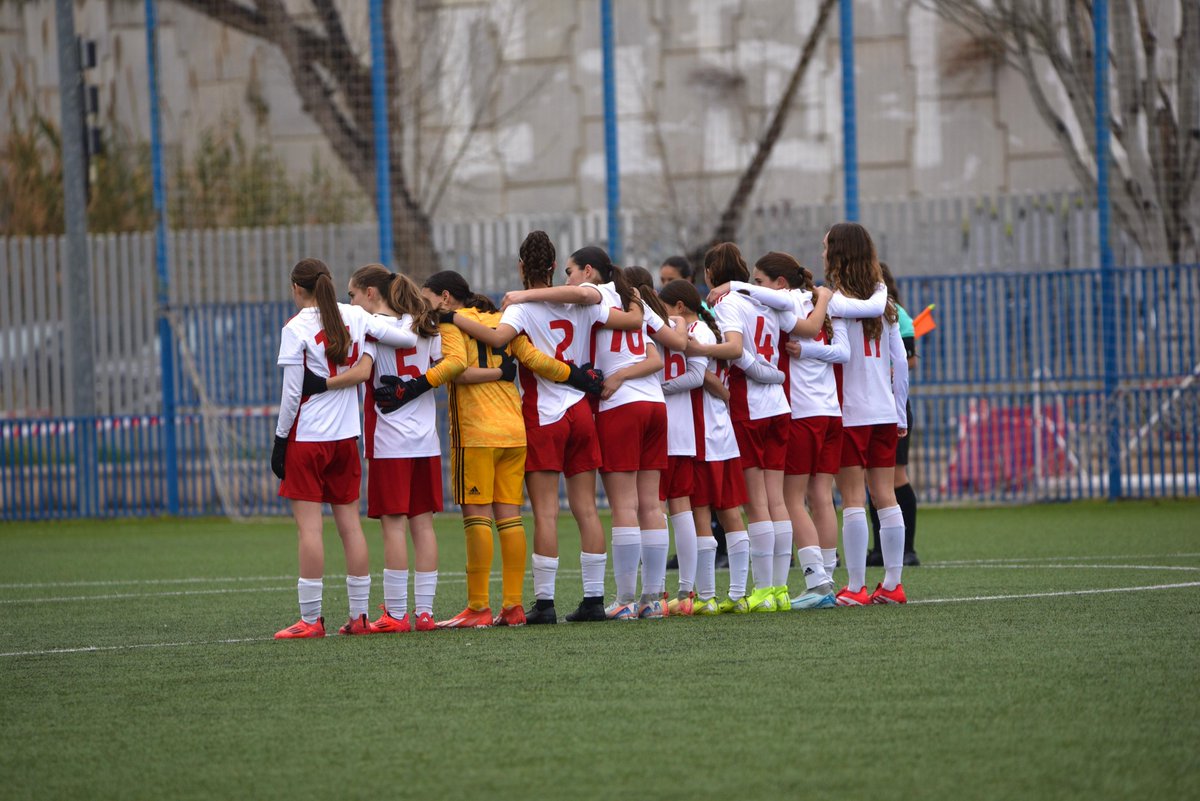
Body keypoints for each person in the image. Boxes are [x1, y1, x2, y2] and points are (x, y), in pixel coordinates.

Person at [386, 269, 598, 629]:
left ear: (447, 298)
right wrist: (580, 378)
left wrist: (410, 388)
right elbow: (534, 359)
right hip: (514, 433)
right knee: (510, 518)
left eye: (428, 297)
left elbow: (455, 367)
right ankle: (513, 606)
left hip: (477, 433)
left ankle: (479, 607)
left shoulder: (451, 326)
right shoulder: (503, 322)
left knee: (477, 518)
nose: (426, 305)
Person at [499, 247, 687, 621]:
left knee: (592, 509)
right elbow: (660, 348)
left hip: (596, 409)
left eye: (572, 271)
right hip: (643, 405)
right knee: (647, 505)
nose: (568, 279)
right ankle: (642, 598)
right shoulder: (624, 301)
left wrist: (516, 297)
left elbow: (580, 295)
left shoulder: (591, 297)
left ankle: (600, 600)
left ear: (587, 271)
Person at [445, 232, 616, 624]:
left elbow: (497, 337)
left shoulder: (520, 308)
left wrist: (454, 316)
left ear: (522, 267)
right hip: (581, 410)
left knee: (546, 513)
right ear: (556, 267)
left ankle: (545, 603)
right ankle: (593, 599)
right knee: (587, 509)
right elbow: (595, 302)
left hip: (544, 413)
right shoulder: (575, 298)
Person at [271, 257, 419, 639]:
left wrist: (279, 439)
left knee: (309, 531)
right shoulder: (355, 315)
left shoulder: (296, 326)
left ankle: (310, 620)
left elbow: (292, 393)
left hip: (307, 438)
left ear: (296, 288)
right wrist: (372, 342)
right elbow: (406, 338)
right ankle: (359, 617)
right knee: (350, 528)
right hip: (345, 439)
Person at [307, 264, 444, 634]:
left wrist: (322, 383)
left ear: (371, 292)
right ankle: (425, 613)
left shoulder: (369, 329)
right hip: (427, 441)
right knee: (424, 526)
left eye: (352, 294)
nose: (350, 302)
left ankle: (397, 614)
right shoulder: (425, 327)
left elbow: (364, 373)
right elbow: (439, 371)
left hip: (390, 443)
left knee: (394, 529)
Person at [688, 242, 793, 613]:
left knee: (757, 503)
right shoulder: (764, 300)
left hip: (750, 406)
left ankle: (764, 590)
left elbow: (733, 349)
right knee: (776, 500)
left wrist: (694, 349)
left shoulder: (728, 303)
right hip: (779, 406)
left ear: (710, 275)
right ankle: (778, 590)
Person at [821, 223, 909, 606]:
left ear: (838, 253)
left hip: (851, 411)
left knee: (853, 497)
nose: (822, 254)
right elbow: (900, 361)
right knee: (885, 495)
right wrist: (900, 410)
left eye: (826, 248)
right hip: (884, 411)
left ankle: (856, 586)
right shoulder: (884, 303)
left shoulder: (834, 301)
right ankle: (892, 584)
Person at [658, 279, 748, 616]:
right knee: (717, 512)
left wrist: (663, 386)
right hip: (712, 434)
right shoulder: (703, 331)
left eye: (665, 308)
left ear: (680, 307)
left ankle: (715, 595)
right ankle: (716, 595)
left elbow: (700, 377)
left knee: (713, 512)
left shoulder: (700, 334)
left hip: (707, 434)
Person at [867, 262, 920, 567]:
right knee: (872, 483)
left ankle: (908, 549)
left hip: (892, 406)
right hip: (871, 407)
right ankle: (879, 548)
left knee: (896, 478)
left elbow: (908, 361)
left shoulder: (896, 315)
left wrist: (881, 369)